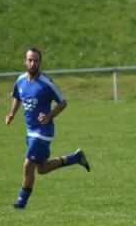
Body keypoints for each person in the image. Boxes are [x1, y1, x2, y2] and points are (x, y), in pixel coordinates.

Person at [5, 47, 91, 209]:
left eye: (36, 60)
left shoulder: (46, 84)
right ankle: (75, 157)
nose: (33, 63)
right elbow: (17, 97)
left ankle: (20, 204)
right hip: (30, 131)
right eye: (30, 60)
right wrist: (11, 114)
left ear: (39, 62)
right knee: (42, 169)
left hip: (43, 132)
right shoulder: (21, 80)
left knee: (28, 165)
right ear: (25, 61)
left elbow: (63, 103)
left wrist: (49, 116)